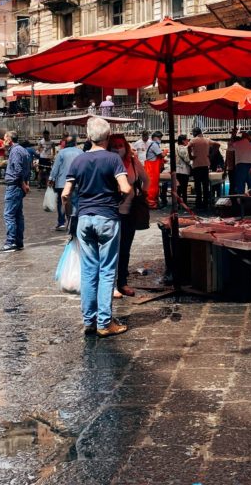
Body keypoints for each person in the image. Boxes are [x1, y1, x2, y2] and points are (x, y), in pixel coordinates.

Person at [62, 116, 132, 337]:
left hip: (84, 219)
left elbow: (65, 194)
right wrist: (117, 201)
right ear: (108, 137)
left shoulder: (78, 161)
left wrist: (68, 215)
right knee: (107, 271)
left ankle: (89, 321)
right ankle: (104, 322)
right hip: (107, 218)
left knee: (89, 271)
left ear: (88, 137)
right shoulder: (113, 159)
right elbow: (126, 188)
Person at [109, 133, 148, 298]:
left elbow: (147, 179)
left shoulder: (133, 162)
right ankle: (110, 285)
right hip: (111, 212)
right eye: (115, 145)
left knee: (125, 249)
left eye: (120, 145)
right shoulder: (107, 161)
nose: (118, 148)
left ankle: (122, 282)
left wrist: (142, 194)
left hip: (130, 211)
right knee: (110, 251)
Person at [0, 131, 32, 253]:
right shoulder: (23, 150)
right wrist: (25, 184)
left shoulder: (16, 151)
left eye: (4, 138)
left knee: (9, 214)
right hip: (18, 186)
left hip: (14, 186)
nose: (3, 141)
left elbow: (18, 170)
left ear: (10, 140)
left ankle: (10, 242)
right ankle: (18, 241)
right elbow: (28, 168)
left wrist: (23, 184)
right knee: (17, 214)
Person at [49, 134, 81, 233]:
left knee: (62, 203)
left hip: (62, 182)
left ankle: (61, 223)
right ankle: (74, 222)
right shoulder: (81, 152)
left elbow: (56, 167)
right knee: (75, 202)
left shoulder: (61, 153)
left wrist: (51, 178)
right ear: (75, 143)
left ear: (65, 143)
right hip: (76, 182)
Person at [189, 127, 212, 211]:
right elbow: (217, 144)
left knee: (198, 186)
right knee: (205, 186)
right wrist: (211, 155)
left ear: (195, 133)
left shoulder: (193, 140)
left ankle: (198, 204)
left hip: (197, 166)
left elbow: (188, 146)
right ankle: (205, 203)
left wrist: (190, 156)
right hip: (205, 165)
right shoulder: (207, 140)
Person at [142, 132, 164, 208]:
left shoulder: (153, 144)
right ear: (155, 137)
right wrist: (165, 152)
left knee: (153, 186)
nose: (160, 139)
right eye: (159, 138)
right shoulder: (154, 145)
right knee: (152, 187)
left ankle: (153, 202)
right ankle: (151, 203)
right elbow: (161, 155)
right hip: (151, 169)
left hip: (152, 168)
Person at [175, 134, 191, 206]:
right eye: (187, 139)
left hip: (178, 170)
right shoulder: (183, 148)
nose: (188, 141)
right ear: (183, 141)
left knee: (179, 187)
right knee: (183, 188)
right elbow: (187, 159)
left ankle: (178, 203)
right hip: (183, 170)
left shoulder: (176, 147)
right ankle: (184, 203)